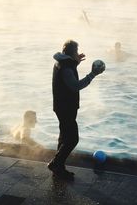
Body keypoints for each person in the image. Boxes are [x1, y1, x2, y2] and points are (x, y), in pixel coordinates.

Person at [48, 40, 105, 180]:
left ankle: (58, 167)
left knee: (64, 137)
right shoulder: (66, 66)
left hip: (61, 106)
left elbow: (68, 73)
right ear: (72, 52)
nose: (78, 53)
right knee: (73, 139)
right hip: (66, 107)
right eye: (76, 51)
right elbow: (75, 86)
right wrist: (92, 74)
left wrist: (76, 62)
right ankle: (56, 164)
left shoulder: (63, 62)